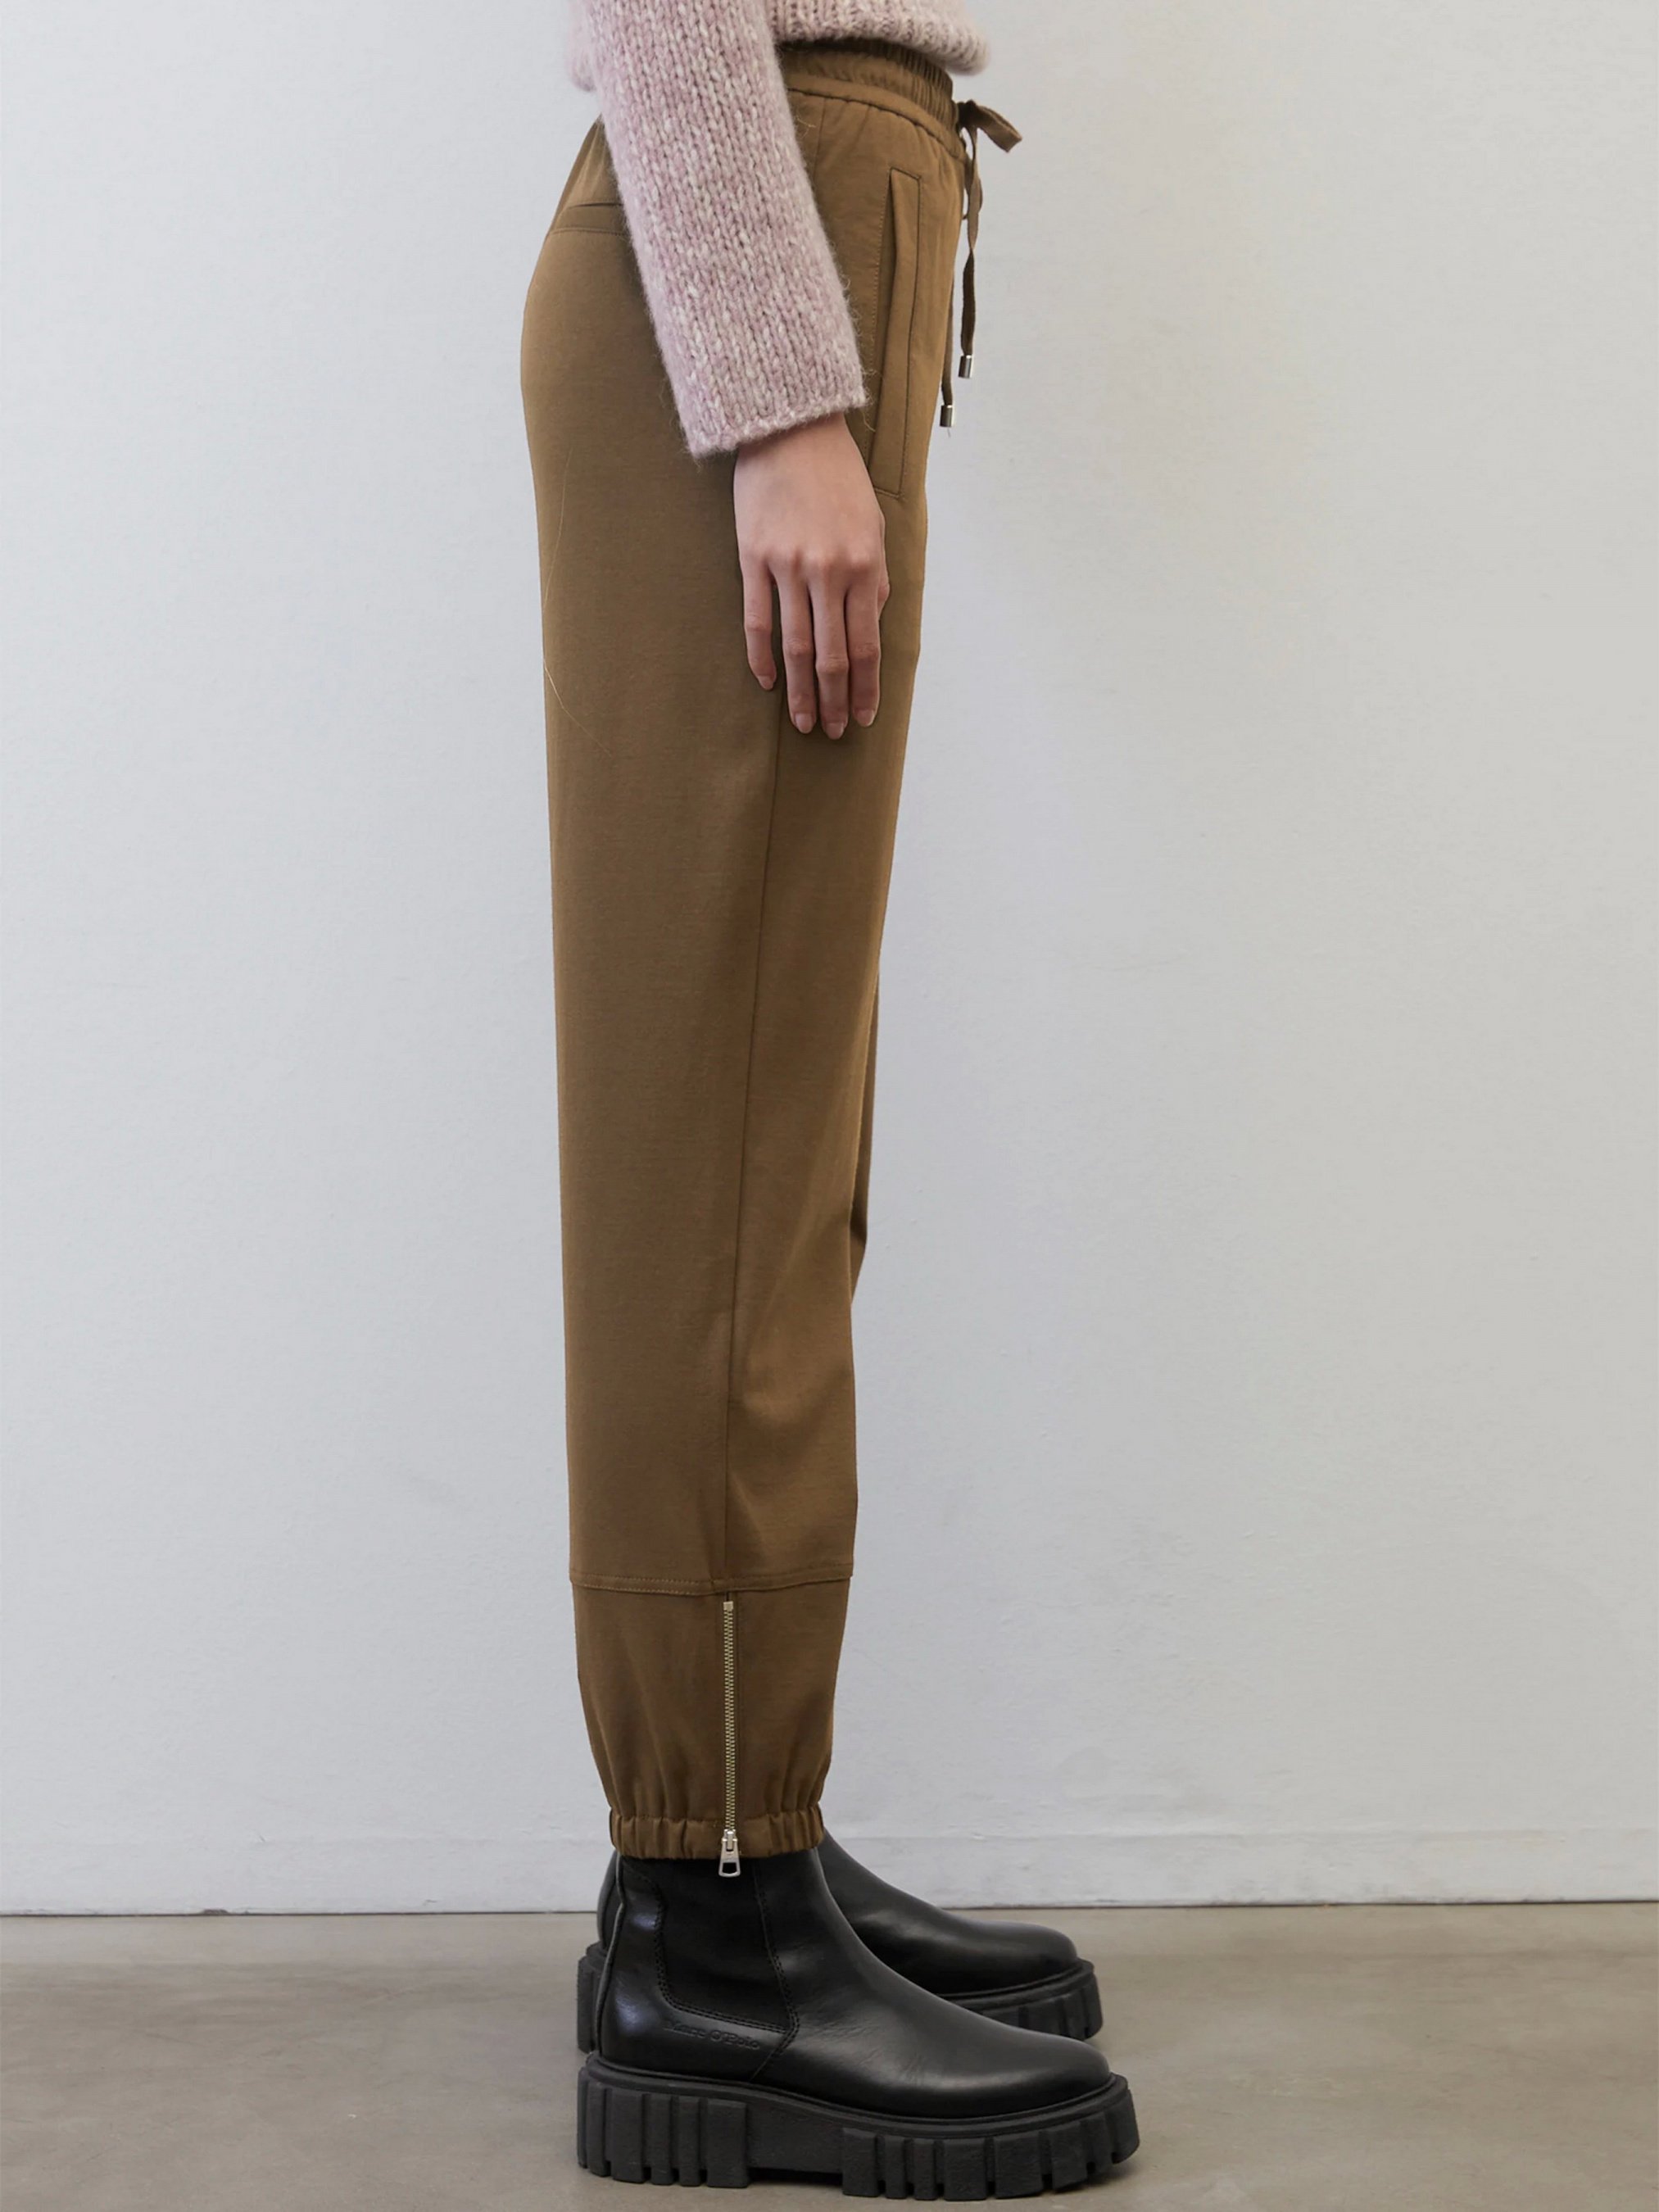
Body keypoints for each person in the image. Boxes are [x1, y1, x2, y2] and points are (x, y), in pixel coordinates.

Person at [521, 1, 1140, 2188]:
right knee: (711, 1160)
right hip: (756, 234)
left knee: (773, 1139)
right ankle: (708, 1912)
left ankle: (744, 1835)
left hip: (813, 216)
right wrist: (783, 392)